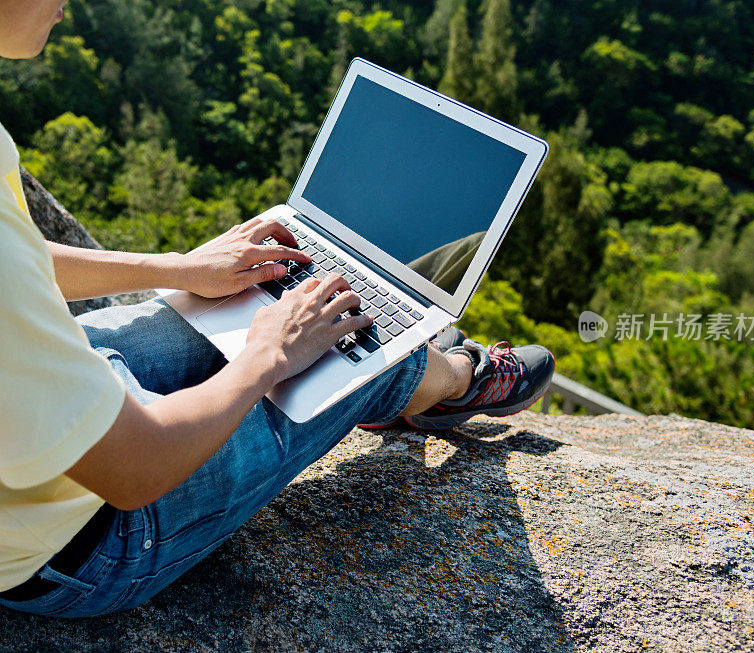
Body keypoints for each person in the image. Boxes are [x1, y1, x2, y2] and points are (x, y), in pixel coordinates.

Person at [0, 0, 555, 618]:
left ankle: (395, 371)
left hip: (29, 435)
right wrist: (270, 352)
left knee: (274, 303)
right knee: (355, 339)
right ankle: (446, 379)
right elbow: (133, 471)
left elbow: (17, 257)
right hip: (75, 546)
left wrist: (175, 267)